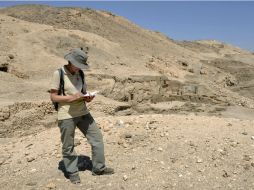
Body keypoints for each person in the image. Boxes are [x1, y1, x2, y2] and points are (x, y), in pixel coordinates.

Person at [50, 48, 114, 184]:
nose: (79, 68)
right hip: (66, 115)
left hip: (83, 112)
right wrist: (71, 98)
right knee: (68, 146)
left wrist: (87, 97)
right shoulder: (59, 74)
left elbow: (83, 92)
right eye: (78, 65)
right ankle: (72, 172)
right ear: (70, 62)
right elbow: (53, 96)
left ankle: (99, 168)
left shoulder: (81, 74)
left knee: (97, 138)